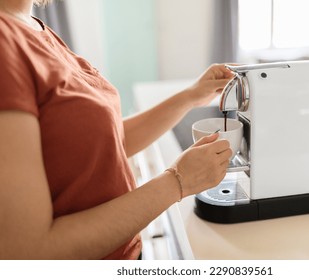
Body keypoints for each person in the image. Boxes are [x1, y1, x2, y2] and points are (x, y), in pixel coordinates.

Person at [0, 0, 233, 259]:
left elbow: (103, 143)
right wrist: (177, 181)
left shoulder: (34, 27)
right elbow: (28, 253)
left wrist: (191, 96)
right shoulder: (5, 43)